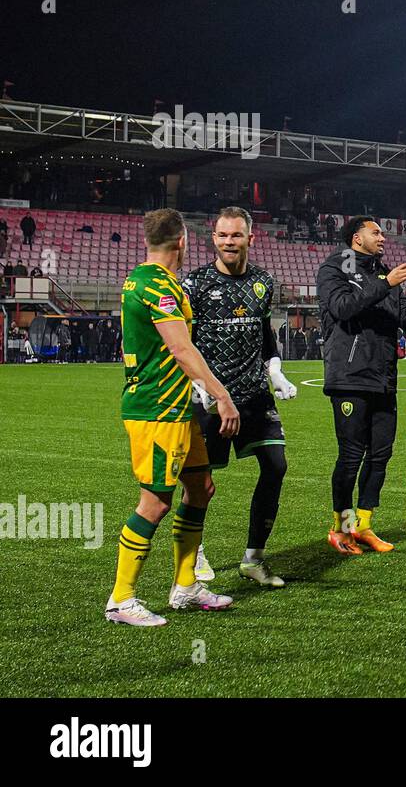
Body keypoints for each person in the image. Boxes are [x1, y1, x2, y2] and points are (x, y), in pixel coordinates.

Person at [105, 208, 240, 627]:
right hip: (157, 409)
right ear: (182, 240)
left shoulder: (145, 279)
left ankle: (185, 587)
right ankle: (121, 600)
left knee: (201, 487)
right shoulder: (157, 286)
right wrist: (222, 396)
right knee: (155, 502)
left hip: (176, 408)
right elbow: (182, 350)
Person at [182, 206, 297, 587]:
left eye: (236, 235)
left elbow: (266, 337)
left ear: (251, 237)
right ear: (213, 238)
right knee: (201, 485)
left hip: (254, 397)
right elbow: (180, 343)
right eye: (222, 235)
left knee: (275, 467)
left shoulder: (263, 283)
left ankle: (253, 558)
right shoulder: (194, 285)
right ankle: (195, 552)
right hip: (209, 400)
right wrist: (199, 385)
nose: (229, 242)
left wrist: (276, 371)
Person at [316, 216, 406, 554]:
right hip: (350, 376)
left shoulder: (382, 272)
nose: (383, 237)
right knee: (351, 456)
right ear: (356, 238)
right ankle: (342, 528)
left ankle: (364, 525)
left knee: (380, 454)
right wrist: (386, 282)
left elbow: (403, 316)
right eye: (375, 232)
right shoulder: (337, 267)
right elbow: (343, 308)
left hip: (383, 376)